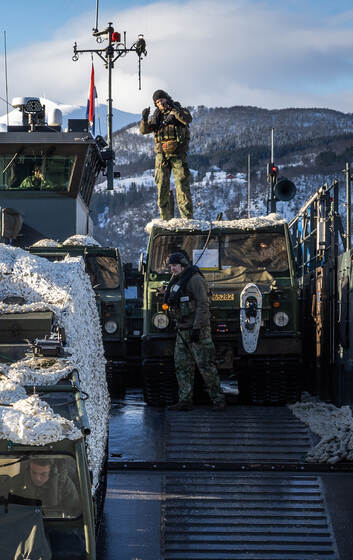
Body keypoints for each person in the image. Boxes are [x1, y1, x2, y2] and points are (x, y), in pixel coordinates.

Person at [165, 250, 226, 410]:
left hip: (197, 330)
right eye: (170, 266)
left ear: (183, 265)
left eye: (175, 265)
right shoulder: (177, 281)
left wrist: (197, 328)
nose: (172, 269)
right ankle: (185, 400)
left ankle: (218, 400)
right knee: (182, 366)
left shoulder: (195, 280)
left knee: (206, 365)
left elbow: (203, 304)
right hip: (182, 329)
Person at [139, 89, 194, 220]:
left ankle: (187, 218)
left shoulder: (180, 110)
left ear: (167, 98)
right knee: (162, 187)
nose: (160, 103)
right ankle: (165, 218)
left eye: (161, 100)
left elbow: (187, 119)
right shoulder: (156, 116)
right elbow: (144, 131)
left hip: (178, 155)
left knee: (182, 186)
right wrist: (144, 118)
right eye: (157, 102)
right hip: (162, 156)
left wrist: (174, 112)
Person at [11, 458, 81, 517]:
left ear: (52, 473)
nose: (37, 478)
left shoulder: (65, 485)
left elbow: (74, 513)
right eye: (34, 472)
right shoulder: (17, 482)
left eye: (43, 474)